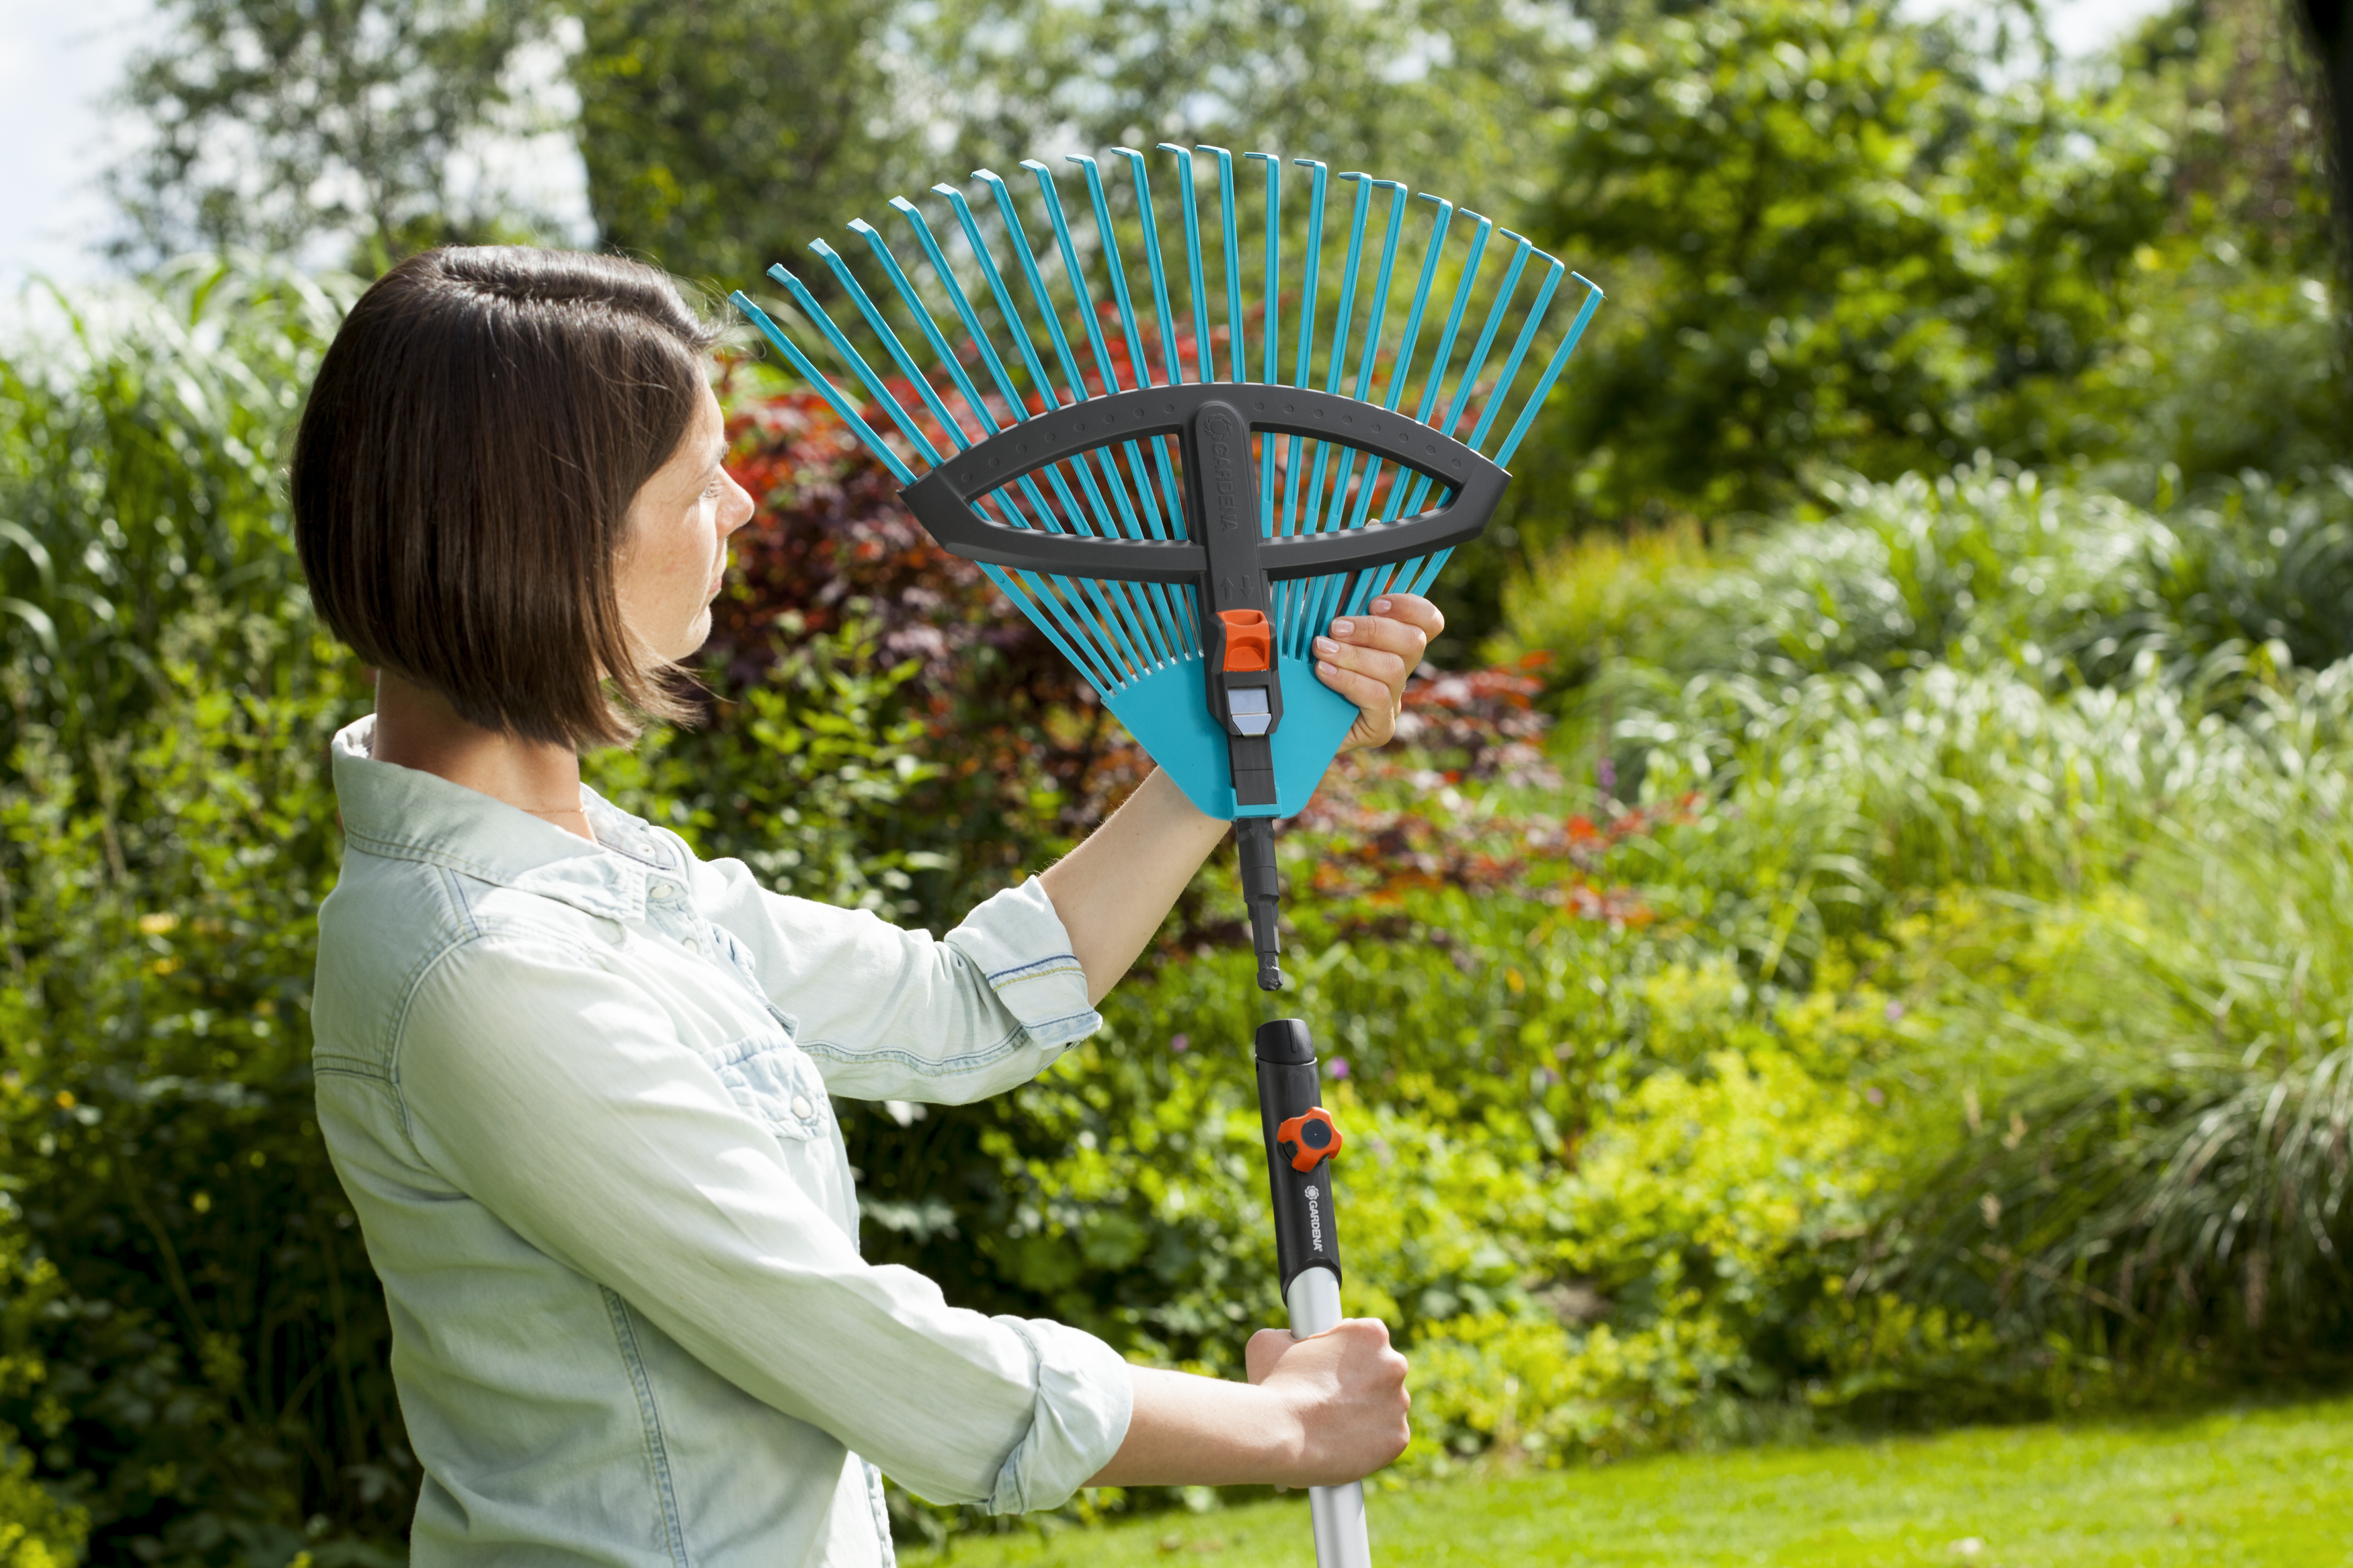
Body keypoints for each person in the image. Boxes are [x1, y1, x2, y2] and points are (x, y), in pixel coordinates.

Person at [292, 245, 1429, 1567]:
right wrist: (1283, 1426)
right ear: (540, 534)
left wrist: (1241, 752)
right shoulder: (486, 969)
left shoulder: (599, 881)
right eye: (693, 477)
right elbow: (875, 1354)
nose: (741, 502)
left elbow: (959, 1007)